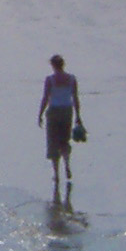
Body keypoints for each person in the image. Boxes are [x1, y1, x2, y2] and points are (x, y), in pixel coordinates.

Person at [37, 54, 84, 196]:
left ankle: (56, 174)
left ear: (53, 65)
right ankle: (67, 166)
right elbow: (75, 98)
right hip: (67, 111)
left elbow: (45, 98)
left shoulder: (50, 80)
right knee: (64, 141)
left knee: (53, 143)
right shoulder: (71, 79)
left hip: (53, 112)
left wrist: (39, 114)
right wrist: (78, 116)